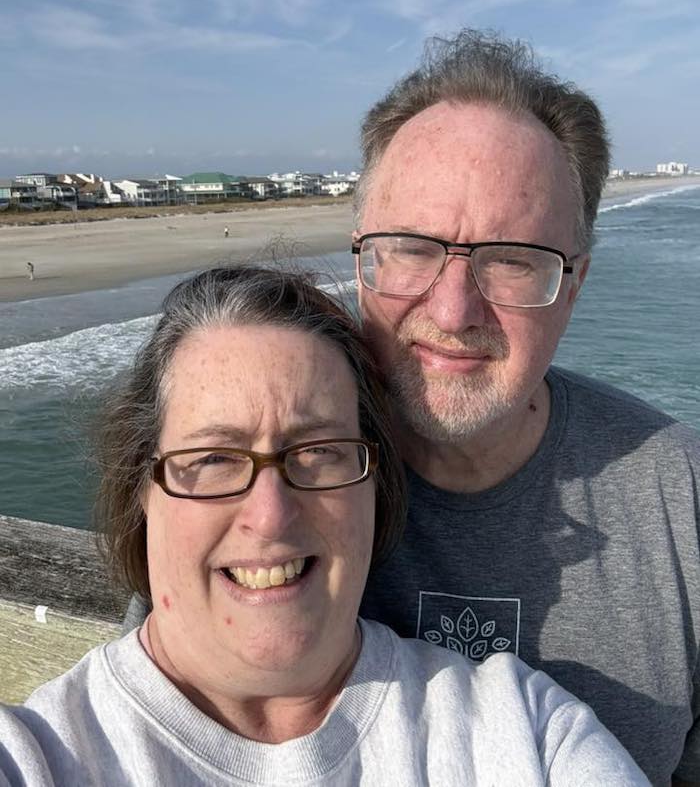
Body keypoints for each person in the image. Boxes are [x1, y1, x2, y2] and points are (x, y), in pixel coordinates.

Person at [0, 266, 648, 786]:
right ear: (143, 490)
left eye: (318, 451)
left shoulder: (520, 733)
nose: (270, 513)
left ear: (375, 484)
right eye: (214, 459)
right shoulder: (41, 754)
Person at [353, 30, 700, 787]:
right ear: (361, 260)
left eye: (512, 259)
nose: (453, 309)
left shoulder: (683, 497)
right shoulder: (260, 478)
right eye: (411, 245)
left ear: (572, 285)